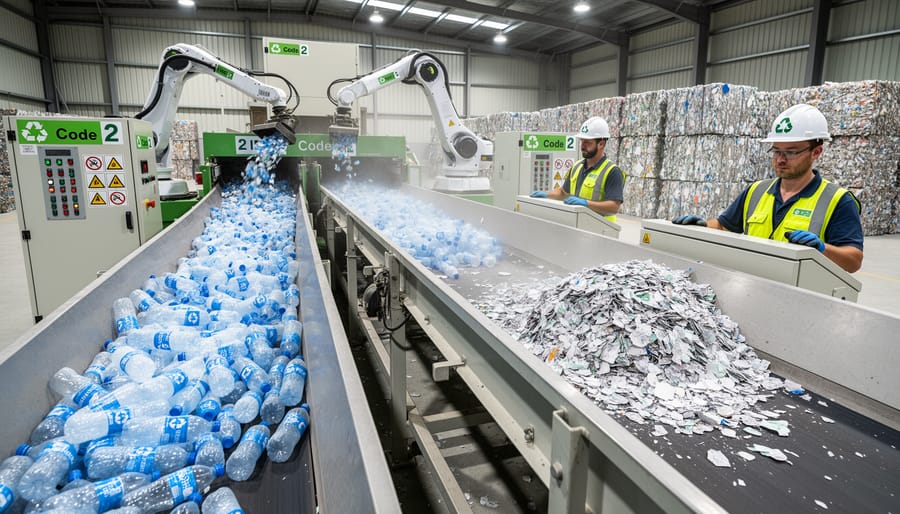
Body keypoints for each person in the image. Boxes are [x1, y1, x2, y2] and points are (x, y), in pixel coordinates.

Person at [672, 103, 863, 273]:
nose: (780, 159)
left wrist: (822, 249)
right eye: (776, 151)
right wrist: (703, 226)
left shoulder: (837, 200)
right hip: (754, 287)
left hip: (803, 296)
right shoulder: (756, 191)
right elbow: (724, 225)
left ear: (816, 152)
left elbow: (853, 261)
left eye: (791, 152)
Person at [529, 116, 626, 222]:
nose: (582, 146)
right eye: (582, 141)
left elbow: (614, 207)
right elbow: (563, 193)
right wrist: (546, 194)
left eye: (587, 142)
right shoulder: (577, 167)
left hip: (601, 230)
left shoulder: (612, 171)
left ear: (601, 144)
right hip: (578, 225)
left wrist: (586, 203)